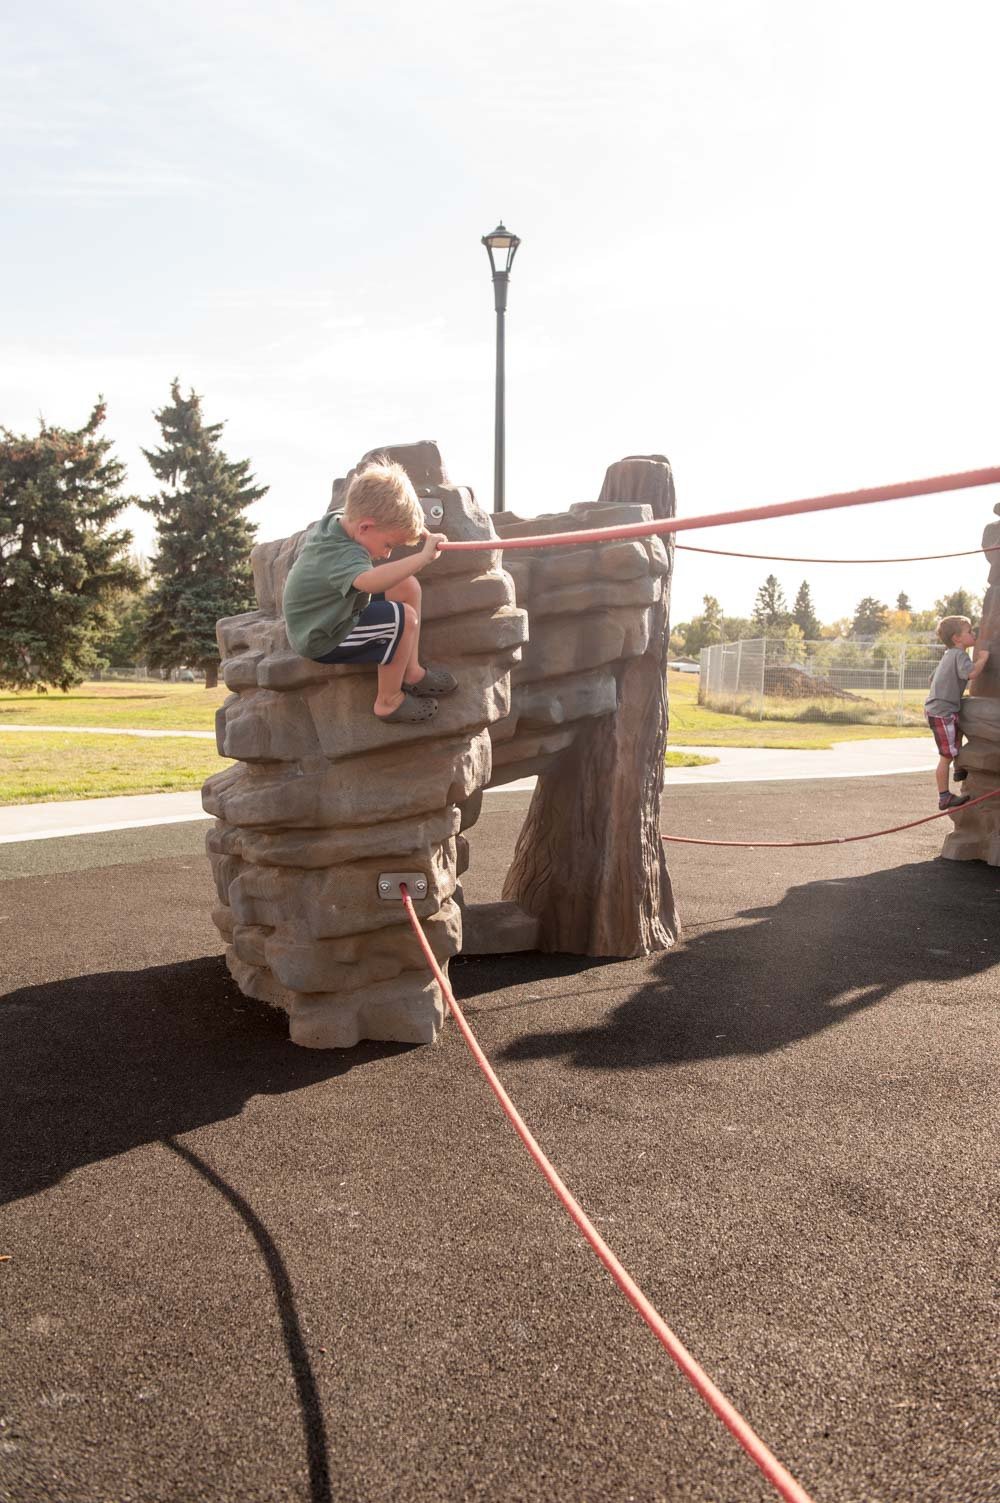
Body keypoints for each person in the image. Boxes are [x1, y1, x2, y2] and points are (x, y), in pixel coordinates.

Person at [282, 458, 457, 724]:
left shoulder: (342, 520)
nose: (387, 553)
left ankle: (411, 671)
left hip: (334, 607)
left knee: (406, 585)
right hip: (323, 634)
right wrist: (422, 558)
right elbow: (371, 582)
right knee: (403, 620)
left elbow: (381, 504)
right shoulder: (345, 556)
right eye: (388, 544)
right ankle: (389, 701)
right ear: (365, 527)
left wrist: (414, 528)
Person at [924, 615, 989, 810]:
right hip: (942, 710)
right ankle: (944, 796)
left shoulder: (948, 655)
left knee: (958, 731)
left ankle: (959, 770)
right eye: (969, 632)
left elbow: (931, 678)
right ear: (957, 638)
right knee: (946, 755)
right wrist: (983, 658)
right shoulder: (960, 655)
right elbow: (971, 674)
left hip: (942, 708)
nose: (973, 634)